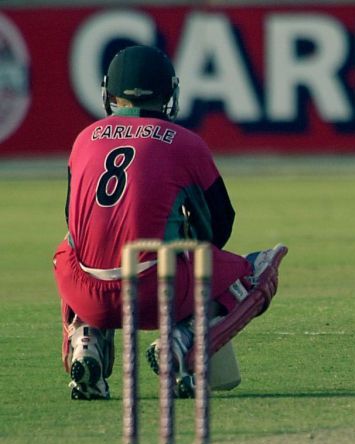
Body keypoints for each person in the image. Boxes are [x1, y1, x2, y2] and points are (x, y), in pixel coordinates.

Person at [53, 45, 288, 400]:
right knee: (259, 271)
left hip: (86, 294)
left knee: (72, 246)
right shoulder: (185, 143)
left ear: (109, 91)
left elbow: (73, 219)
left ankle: (86, 343)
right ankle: (180, 343)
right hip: (154, 292)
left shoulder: (83, 138)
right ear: (168, 93)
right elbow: (220, 226)